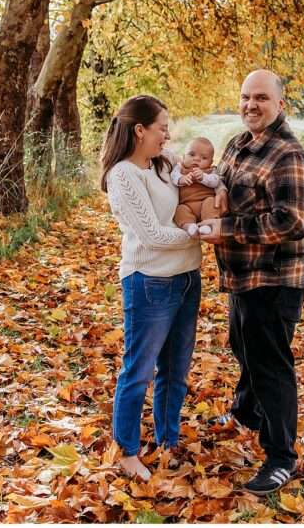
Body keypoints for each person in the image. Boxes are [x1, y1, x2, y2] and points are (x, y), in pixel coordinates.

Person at [199, 70, 304, 496]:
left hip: (276, 277)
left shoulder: (289, 156)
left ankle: (281, 456)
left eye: (261, 98)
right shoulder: (238, 144)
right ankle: (245, 413)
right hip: (243, 274)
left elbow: (294, 221)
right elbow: (223, 189)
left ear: (280, 104)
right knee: (241, 344)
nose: (251, 105)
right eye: (246, 97)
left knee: (269, 361)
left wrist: (229, 227)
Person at [100, 95, 208, 481]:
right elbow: (152, 235)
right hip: (149, 283)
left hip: (187, 279)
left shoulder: (163, 164)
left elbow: (197, 179)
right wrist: (200, 235)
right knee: (139, 369)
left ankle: (167, 441)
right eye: (162, 127)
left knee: (175, 371)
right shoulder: (123, 175)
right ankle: (128, 451)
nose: (168, 134)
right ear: (139, 130)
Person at [171, 137, 222, 236]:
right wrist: (181, 179)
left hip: (205, 201)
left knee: (211, 202)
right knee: (180, 210)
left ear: (211, 162)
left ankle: (208, 225)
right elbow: (174, 176)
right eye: (192, 154)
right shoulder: (179, 167)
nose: (197, 159)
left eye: (204, 158)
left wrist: (204, 177)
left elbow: (216, 181)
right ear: (183, 156)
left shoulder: (210, 170)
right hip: (187, 204)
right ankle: (189, 226)